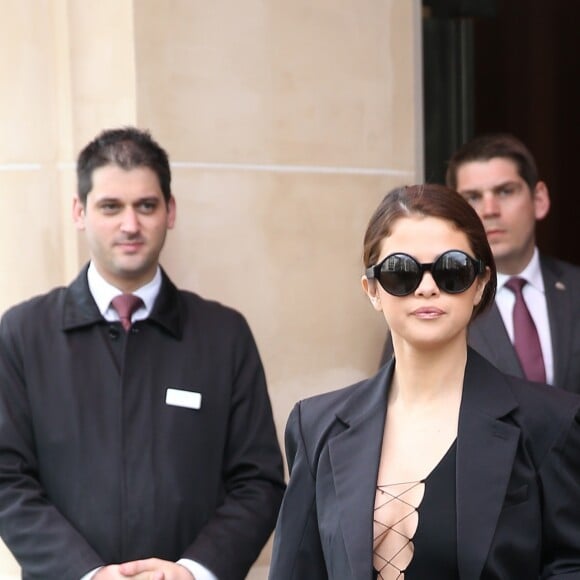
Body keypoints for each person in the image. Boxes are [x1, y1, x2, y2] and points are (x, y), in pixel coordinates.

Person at [0, 127, 285, 580]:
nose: (129, 225)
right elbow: (7, 481)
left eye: (146, 206)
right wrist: (86, 574)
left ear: (169, 211)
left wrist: (193, 570)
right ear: (80, 211)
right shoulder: (23, 332)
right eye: (111, 206)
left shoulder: (223, 335)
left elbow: (259, 482)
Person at [268, 184, 580, 579]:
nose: (427, 287)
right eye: (402, 272)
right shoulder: (317, 426)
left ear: (481, 282)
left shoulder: (550, 422)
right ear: (373, 290)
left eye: (452, 270)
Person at [381, 134, 580, 392]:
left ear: (539, 199)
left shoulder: (575, 288)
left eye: (505, 191)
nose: (489, 209)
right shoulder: (431, 300)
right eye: (473, 197)